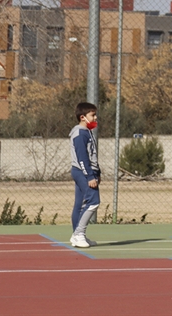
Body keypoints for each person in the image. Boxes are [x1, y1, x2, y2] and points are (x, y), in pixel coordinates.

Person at [69, 102, 100, 249]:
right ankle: (79, 234)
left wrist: (97, 172)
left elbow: (92, 155)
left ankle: (77, 235)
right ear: (83, 117)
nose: (95, 117)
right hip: (82, 172)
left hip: (86, 172)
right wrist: (89, 176)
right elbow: (82, 158)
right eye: (92, 115)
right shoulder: (80, 133)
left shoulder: (87, 132)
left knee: (79, 204)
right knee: (94, 201)